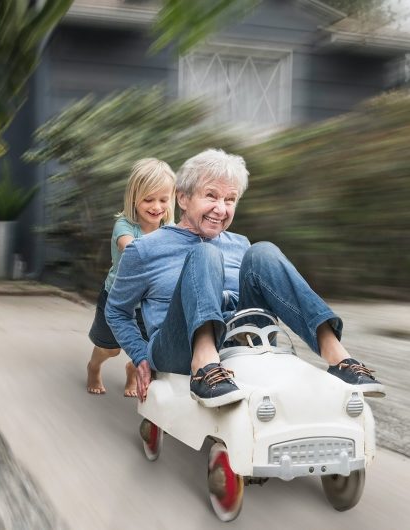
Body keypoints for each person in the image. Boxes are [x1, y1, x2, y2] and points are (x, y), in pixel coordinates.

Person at [106, 149, 385, 407]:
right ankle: (205, 365)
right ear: (183, 198)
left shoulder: (240, 244)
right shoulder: (144, 249)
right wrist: (141, 356)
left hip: (243, 336)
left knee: (263, 251)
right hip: (178, 348)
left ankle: (340, 360)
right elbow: (117, 310)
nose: (221, 208)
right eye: (211, 196)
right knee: (204, 254)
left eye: (230, 200)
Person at [86, 158, 176, 396]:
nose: (156, 206)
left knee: (146, 349)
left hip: (148, 302)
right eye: (149, 199)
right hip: (117, 299)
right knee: (110, 348)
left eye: (163, 200)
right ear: (134, 198)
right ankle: (94, 367)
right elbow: (130, 248)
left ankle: (133, 369)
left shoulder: (169, 228)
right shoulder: (124, 225)